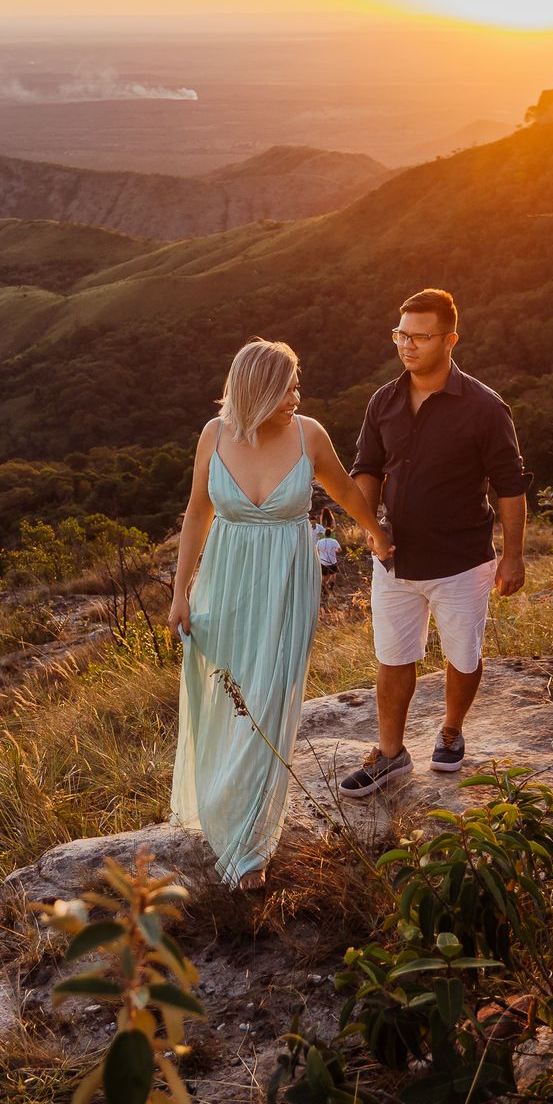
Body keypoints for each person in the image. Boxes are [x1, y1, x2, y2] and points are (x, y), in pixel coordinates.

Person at [168, 339, 394, 890]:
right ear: (259, 390)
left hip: (287, 590)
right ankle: (224, 806)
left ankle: (249, 844)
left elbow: (344, 492)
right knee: (226, 697)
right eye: (288, 387)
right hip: (223, 586)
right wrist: (179, 593)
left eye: (297, 385)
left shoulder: (308, 434)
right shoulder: (213, 435)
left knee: (269, 703)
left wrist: (379, 536)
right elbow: (197, 512)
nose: (298, 395)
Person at [338, 288, 529, 797]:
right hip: (396, 558)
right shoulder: (384, 399)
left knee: (463, 655)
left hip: (462, 561)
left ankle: (451, 730)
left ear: (450, 340)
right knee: (393, 656)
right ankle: (391, 754)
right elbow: (368, 467)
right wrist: (370, 528)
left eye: (420, 336)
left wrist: (513, 555)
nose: (407, 345)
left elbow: (510, 484)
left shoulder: (485, 408)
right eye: (401, 334)